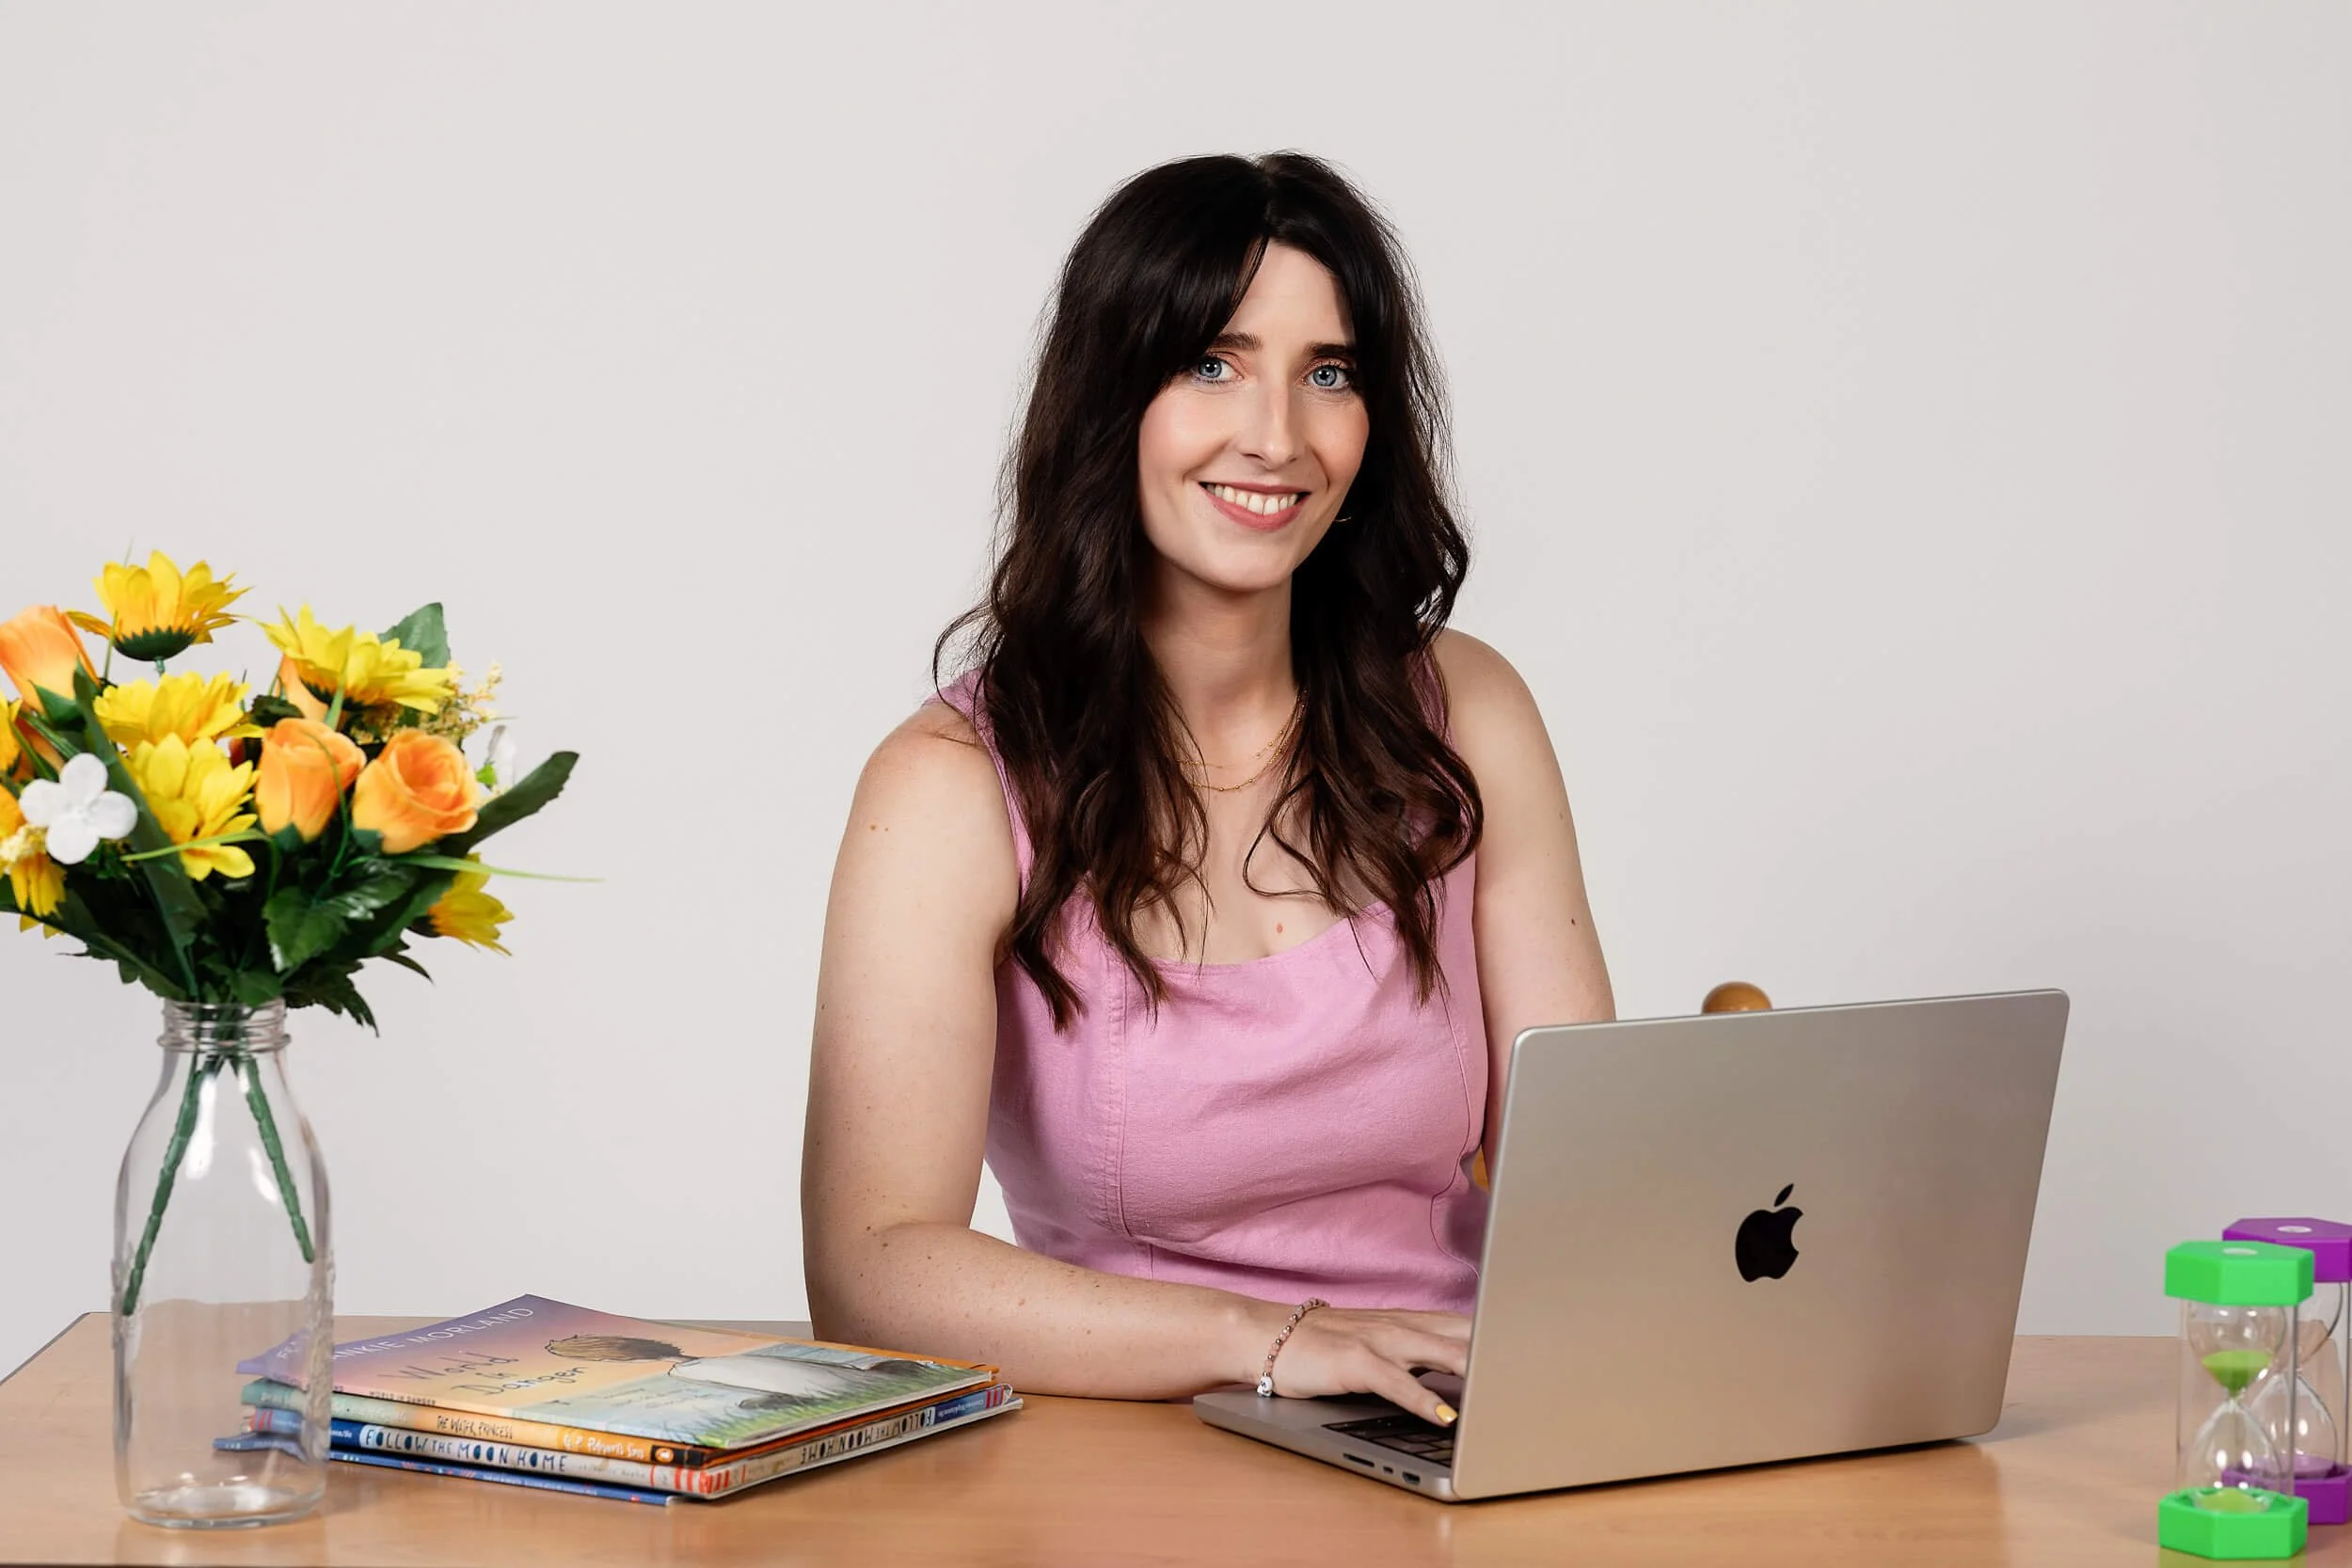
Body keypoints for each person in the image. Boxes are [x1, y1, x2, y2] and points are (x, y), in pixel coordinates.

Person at [802, 151, 1613, 1428]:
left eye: (1329, 373)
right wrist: (1282, 1341)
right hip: (1126, 1438)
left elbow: (1590, 1173)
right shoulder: (953, 786)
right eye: (1213, 363)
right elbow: (871, 1269)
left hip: (1455, 1418)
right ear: (1109, 397)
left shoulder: (1469, 713)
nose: (1277, 435)